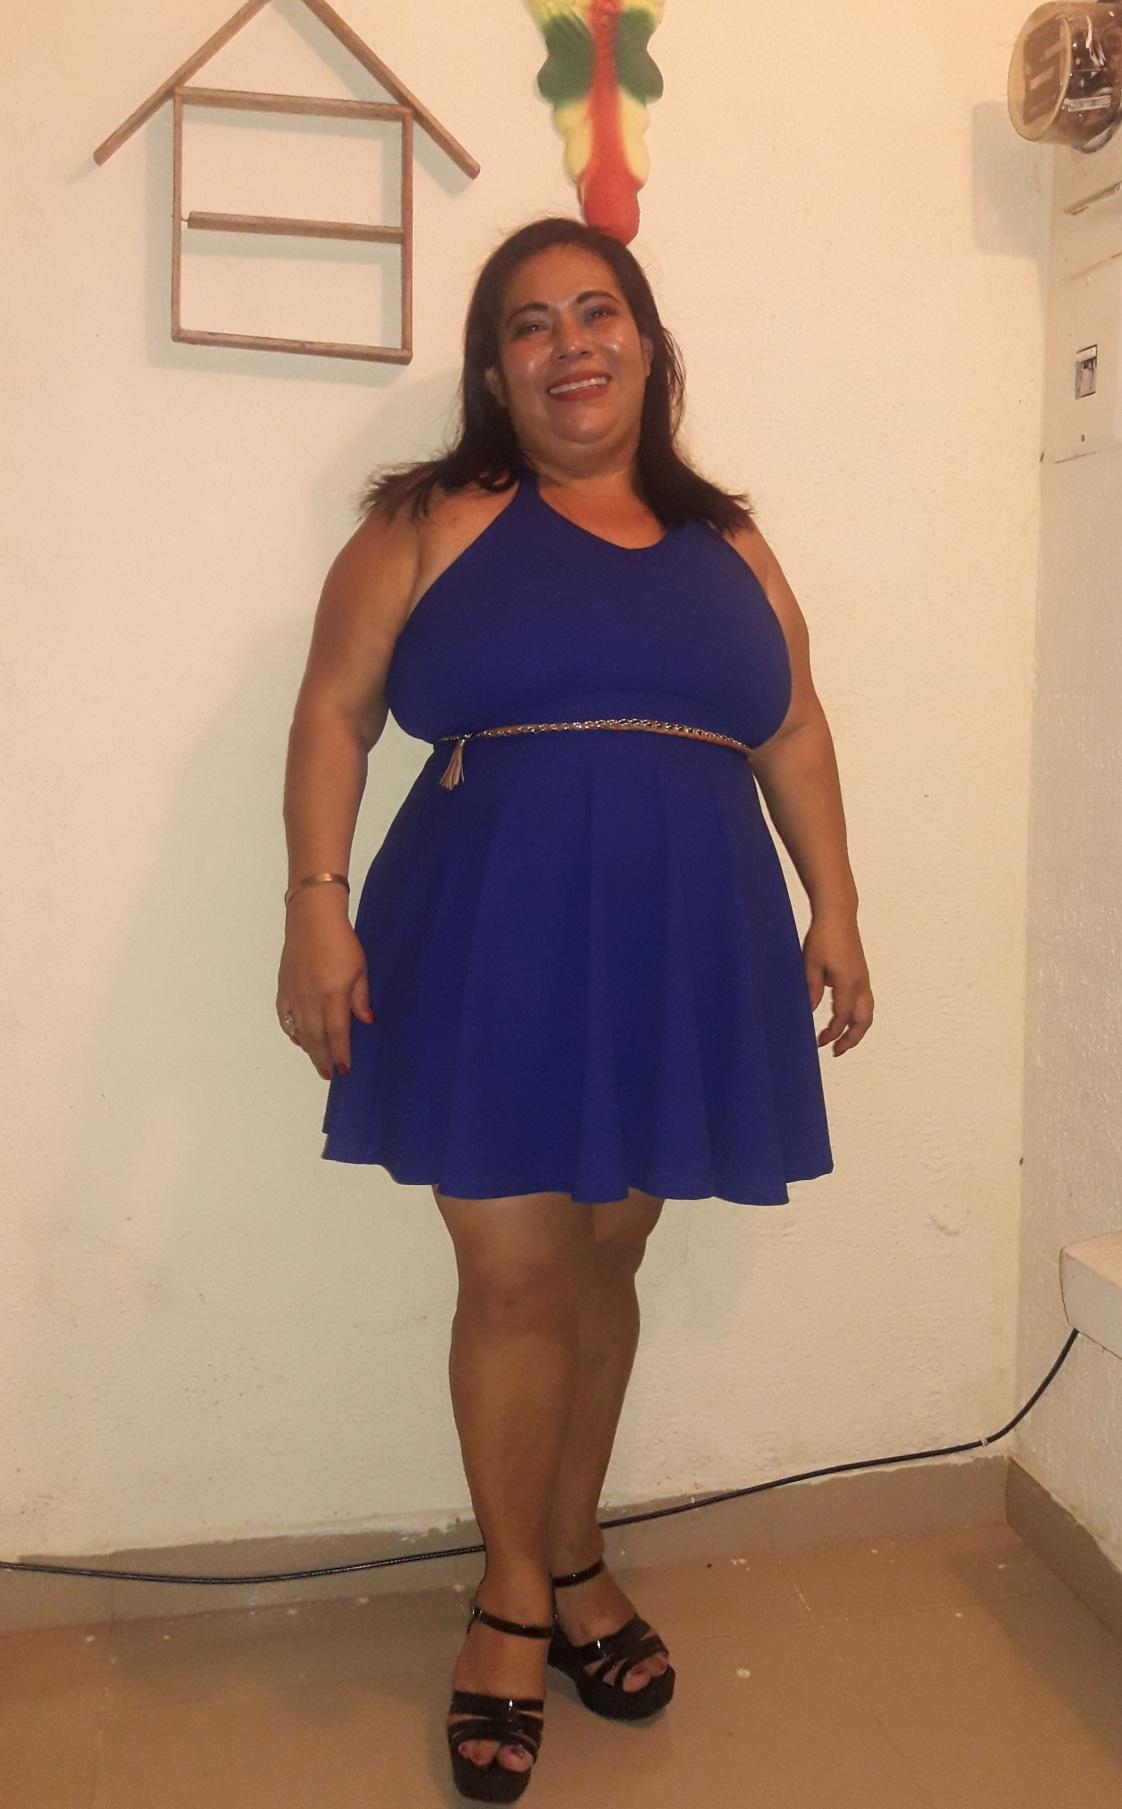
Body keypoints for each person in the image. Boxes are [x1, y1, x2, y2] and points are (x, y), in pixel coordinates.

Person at [276, 214, 873, 1801]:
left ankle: (573, 1550)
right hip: (495, 933)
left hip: (683, 937)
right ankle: (508, 1600)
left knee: (608, 1255)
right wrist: (314, 903)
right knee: (515, 1267)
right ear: (496, 370)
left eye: (595, 312)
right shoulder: (430, 520)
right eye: (528, 324)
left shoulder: (729, 542)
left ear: (647, 345)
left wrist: (836, 904)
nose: (568, 345)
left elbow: (793, 727)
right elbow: (332, 711)